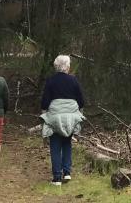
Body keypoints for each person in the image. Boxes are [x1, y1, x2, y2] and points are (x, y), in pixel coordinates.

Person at [40, 54, 85, 186]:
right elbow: (81, 101)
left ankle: (57, 178)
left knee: (55, 145)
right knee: (67, 143)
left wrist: (44, 116)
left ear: (56, 67)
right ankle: (67, 172)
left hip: (55, 118)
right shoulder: (73, 80)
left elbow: (45, 102)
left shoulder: (51, 81)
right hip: (70, 118)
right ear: (68, 67)